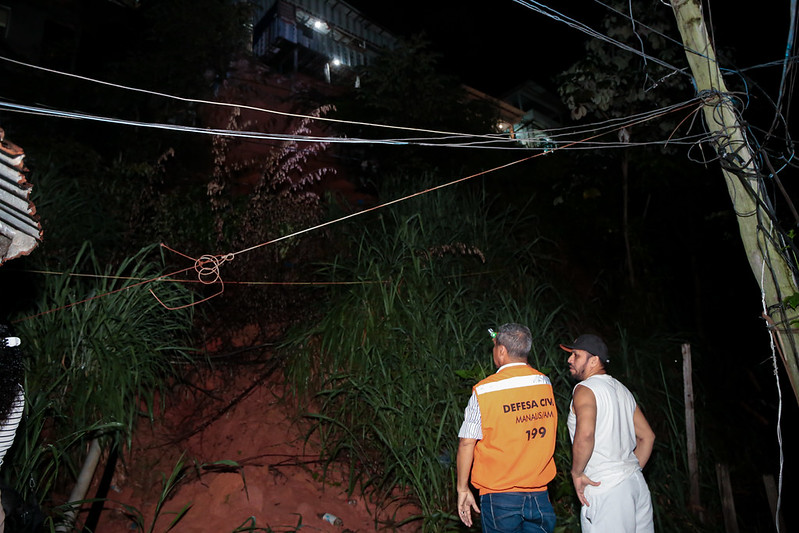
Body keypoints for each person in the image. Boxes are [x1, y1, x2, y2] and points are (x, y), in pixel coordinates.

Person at [456, 323, 557, 532]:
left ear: (501, 351)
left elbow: (467, 442)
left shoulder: (484, 390)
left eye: (495, 347)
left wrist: (462, 488)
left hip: (500, 495)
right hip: (540, 494)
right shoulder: (544, 383)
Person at [560, 334, 655, 533]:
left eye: (576, 355)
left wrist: (576, 473)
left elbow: (586, 434)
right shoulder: (622, 390)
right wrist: (627, 472)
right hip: (635, 485)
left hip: (606, 489)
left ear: (594, 360)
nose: (570, 359)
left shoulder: (584, 389)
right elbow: (648, 437)